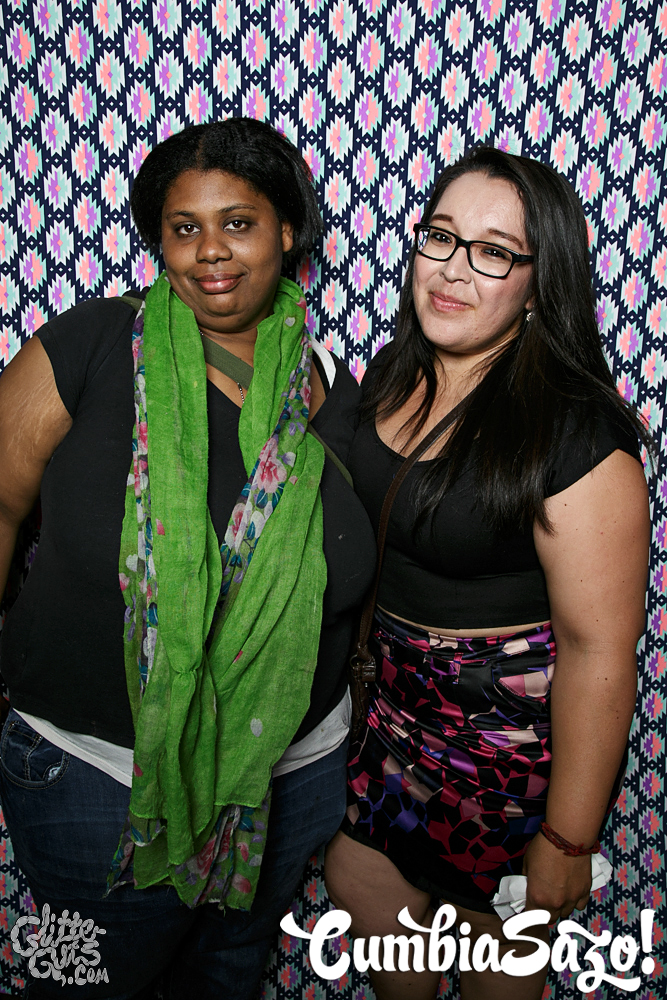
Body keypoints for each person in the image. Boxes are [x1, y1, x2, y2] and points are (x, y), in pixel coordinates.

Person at [0, 117, 376, 999]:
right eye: (184, 227)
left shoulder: (325, 381)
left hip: (287, 778)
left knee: (228, 976)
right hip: (96, 777)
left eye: (238, 223)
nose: (211, 251)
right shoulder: (94, 344)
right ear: (159, 243)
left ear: (287, 232)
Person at [325, 147, 651, 1000]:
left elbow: (598, 650)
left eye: (494, 252)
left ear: (540, 284)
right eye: (440, 236)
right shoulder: (390, 375)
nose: (453, 268)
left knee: (492, 970)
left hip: (505, 764)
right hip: (388, 727)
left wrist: (568, 840)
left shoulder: (576, 433)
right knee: (362, 885)